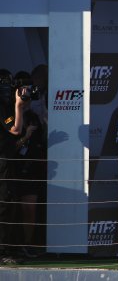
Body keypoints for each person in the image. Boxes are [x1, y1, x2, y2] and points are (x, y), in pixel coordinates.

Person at [10, 71, 46, 258]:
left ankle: (27, 245)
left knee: (30, 209)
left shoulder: (34, 118)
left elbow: (40, 144)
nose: (27, 96)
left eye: (29, 92)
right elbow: (10, 145)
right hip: (11, 171)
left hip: (30, 170)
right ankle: (10, 247)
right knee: (11, 210)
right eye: (23, 91)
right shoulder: (7, 114)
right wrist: (26, 136)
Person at [0, 70, 31, 265]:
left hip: (8, 161)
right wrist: (18, 106)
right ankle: (2, 251)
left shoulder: (6, 104)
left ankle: (8, 248)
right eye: (4, 82)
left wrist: (20, 104)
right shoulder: (2, 106)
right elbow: (15, 129)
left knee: (9, 204)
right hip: (2, 161)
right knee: (4, 205)